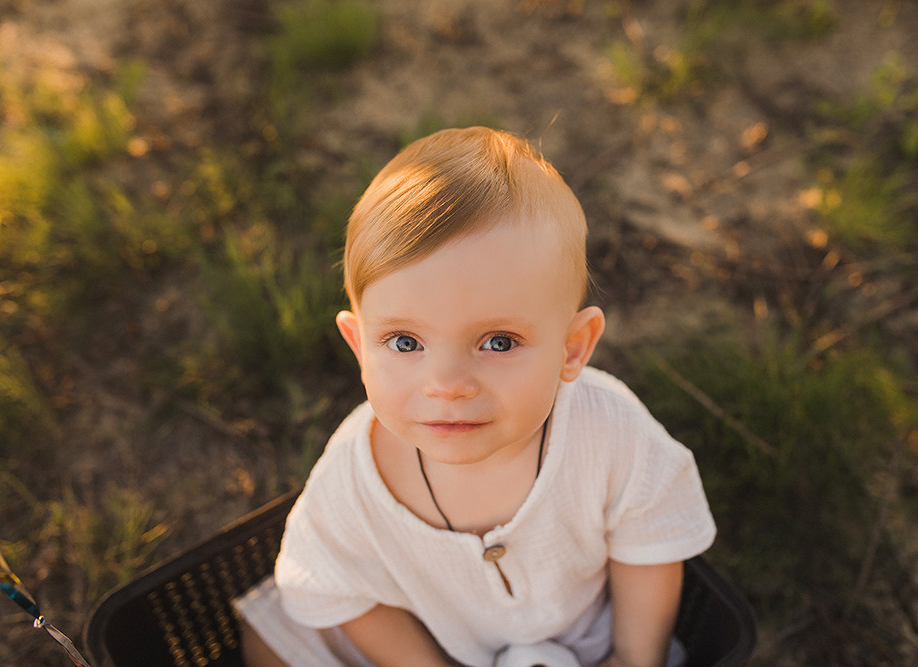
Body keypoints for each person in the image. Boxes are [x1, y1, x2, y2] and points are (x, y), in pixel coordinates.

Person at [235, 127, 716, 667]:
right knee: (274, 637)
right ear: (358, 346)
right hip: (437, 644)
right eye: (405, 342)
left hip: (584, 642)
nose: (447, 383)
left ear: (572, 349)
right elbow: (333, 585)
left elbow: (649, 544)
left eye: (498, 342)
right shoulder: (355, 474)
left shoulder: (610, 433)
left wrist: (633, 658)